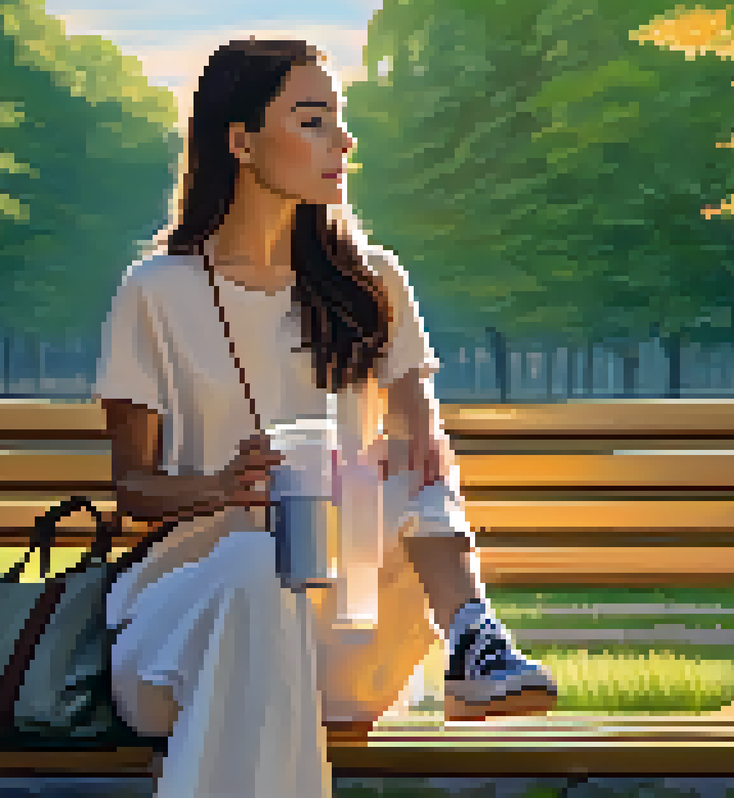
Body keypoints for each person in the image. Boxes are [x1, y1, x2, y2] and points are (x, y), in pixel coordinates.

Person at [92, 39, 558, 798]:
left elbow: (421, 451)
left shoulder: (371, 282)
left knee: (413, 471)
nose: (343, 142)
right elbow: (133, 487)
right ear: (240, 141)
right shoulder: (158, 291)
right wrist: (218, 488)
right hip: (186, 634)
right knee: (252, 566)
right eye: (312, 121)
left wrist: (398, 454)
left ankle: (476, 639)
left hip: (340, 629)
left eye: (338, 120)